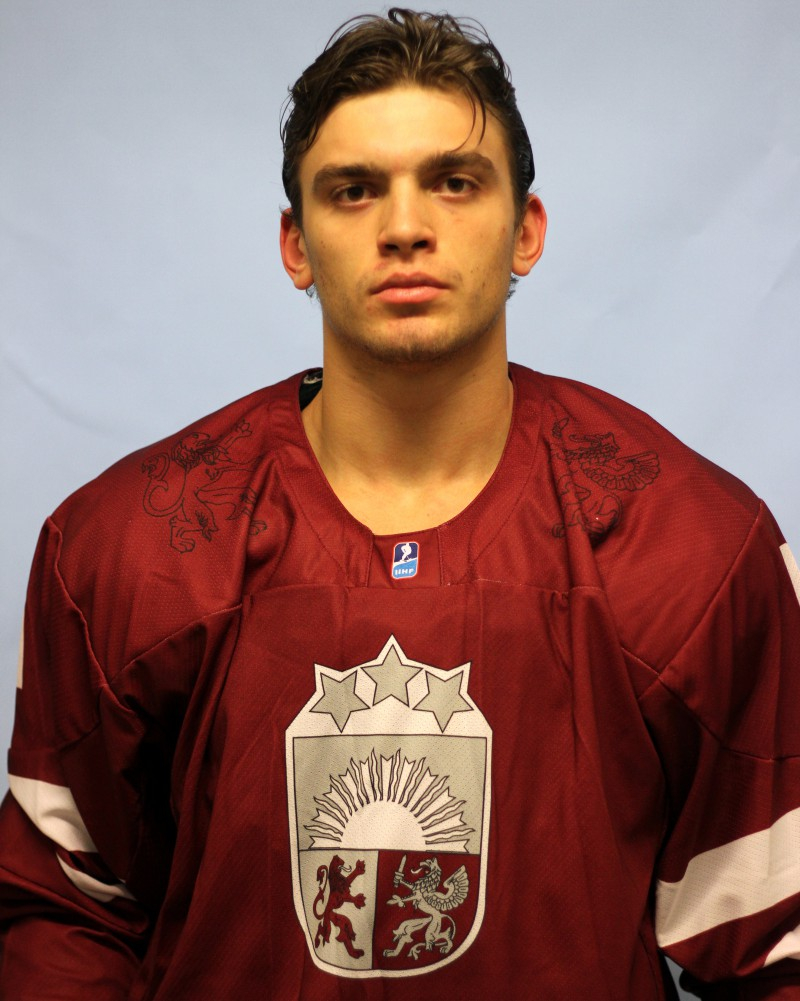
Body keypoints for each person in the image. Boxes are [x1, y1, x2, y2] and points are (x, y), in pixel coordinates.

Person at [1, 8, 798, 999]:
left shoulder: (693, 548)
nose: (406, 226)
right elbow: (65, 914)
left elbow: (776, 944)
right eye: (354, 189)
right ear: (295, 243)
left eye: (454, 181)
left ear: (526, 229)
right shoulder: (123, 550)